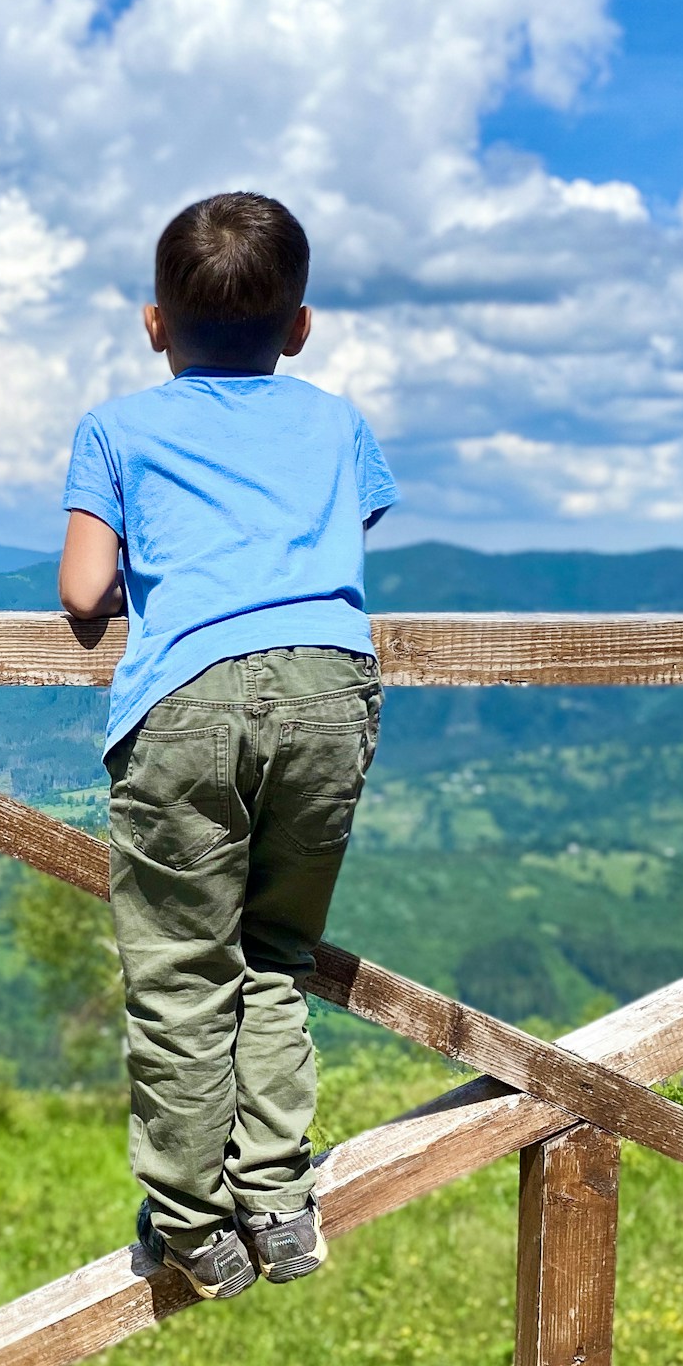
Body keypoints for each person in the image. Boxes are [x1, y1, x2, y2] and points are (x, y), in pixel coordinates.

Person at [58, 191, 395, 1302]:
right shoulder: (337, 420)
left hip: (189, 705)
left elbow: (81, 588)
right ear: (299, 326)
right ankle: (280, 1203)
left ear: (156, 322)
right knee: (276, 958)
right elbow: (345, 530)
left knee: (180, 973)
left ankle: (194, 1225)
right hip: (329, 691)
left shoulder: (117, 426)